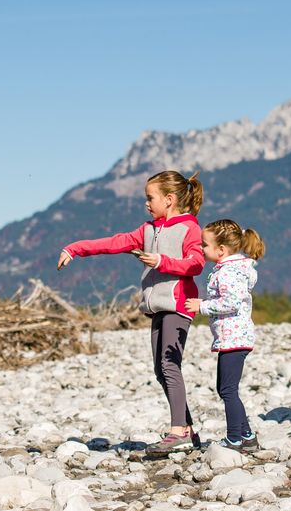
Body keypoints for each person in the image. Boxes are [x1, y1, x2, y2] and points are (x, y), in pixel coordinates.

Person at [57, 171, 205, 454]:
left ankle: (178, 431)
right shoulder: (147, 230)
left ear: (169, 199)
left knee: (169, 365)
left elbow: (196, 264)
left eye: (150, 198)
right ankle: (186, 429)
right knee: (161, 370)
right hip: (156, 307)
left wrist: (162, 261)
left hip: (178, 305)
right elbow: (113, 243)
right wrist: (75, 249)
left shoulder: (189, 228)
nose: (146, 203)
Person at [187, 219, 265, 452]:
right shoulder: (231, 268)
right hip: (232, 338)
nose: (201, 248)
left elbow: (231, 302)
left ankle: (234, 439)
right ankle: (247, 436)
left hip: (234, 339)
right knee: (226, 388)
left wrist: (202, 306)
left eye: (205, 245)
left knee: (228, 390)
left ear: (221, 249)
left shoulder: (229, 272)